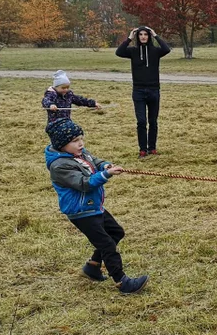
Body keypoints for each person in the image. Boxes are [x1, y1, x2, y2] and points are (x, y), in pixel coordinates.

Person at [44, 118, 148, 294]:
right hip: (81, 212)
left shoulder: (79, 154)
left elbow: (95, 161)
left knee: (116, 232)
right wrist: (106, 174)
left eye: (81, 139)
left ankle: (92, 266)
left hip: (93, 206)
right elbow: (84, 183)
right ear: (61, 144)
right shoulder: (59, 166)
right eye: (75, 141)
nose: (81, 144)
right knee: (107, 244)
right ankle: (122, 282)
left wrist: (105, 165)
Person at [115, 26, 171, 158]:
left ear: (149, 36)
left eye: (146, 34)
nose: (143, 37)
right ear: (137, 37)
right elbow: (119, 52)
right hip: (138, 91)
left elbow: (166, 49)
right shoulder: (133, 51)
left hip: (153, 90)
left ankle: (152, 148)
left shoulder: (156, 51)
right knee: (141, 121)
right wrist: (129, 38)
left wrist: (155, 34)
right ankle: (142, 149)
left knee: (153, 121)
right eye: (140, 34)